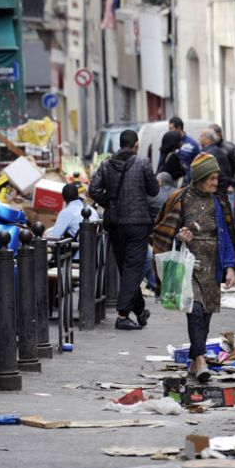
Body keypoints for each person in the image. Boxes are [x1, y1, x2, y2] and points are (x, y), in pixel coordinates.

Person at [153, 153, 235, 383]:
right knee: (196, 310)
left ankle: (193, 362)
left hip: (213, 265)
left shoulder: (220, 202)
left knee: (207, 313)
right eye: (210, 178)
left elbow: (229, 236)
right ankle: (200, 359)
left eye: (216, 177)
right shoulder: (180, 198)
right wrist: (180, 237)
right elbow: (163, 231)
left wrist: (230, 267)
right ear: (200, 178)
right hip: (189, 265)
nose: (215, 182)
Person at [89, 130, 159, 331]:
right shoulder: (143, 163)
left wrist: (110, 203)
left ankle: (139, 310)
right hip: (137, 223)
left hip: (116, 224)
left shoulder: (106, 164)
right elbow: (153, 190)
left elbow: (93, 190)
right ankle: (122, 315)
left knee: (126, 268)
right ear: (136, 144)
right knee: (132, 269)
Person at [143, 172, 176, 294]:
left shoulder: (151, 195)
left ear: (160, 182)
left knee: (150, 259)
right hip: (173, 233)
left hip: (154, 234)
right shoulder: (178, 193)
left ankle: (157, 286)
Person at [209, 123, 235, 210]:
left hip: (227, 187)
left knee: (228, 213)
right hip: (214, 187)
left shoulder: (230, 148)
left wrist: (232, 184)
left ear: (219, 134)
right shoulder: (209, 149)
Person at [199, 128, 235, 199]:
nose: (199, 138)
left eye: (201, 136)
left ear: (208, 139)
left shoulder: (209, 154)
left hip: (214, 192)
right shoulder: (217, 151)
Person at [169, 116, 201, 185]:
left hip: (188, 183)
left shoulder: (192, 144)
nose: (170, 131)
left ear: (179, 128)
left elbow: (199, 164)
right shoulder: (169, 143)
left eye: (171, 129)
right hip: (172, 183)